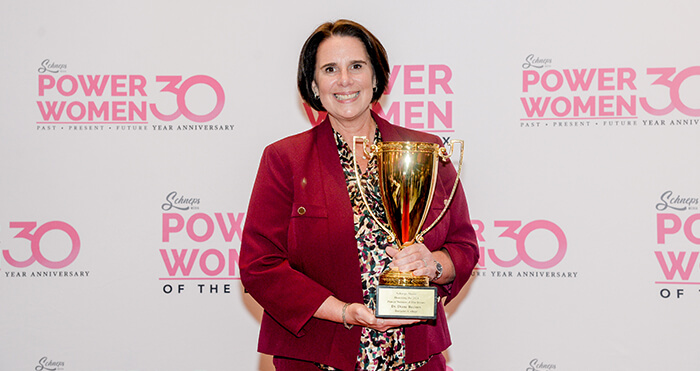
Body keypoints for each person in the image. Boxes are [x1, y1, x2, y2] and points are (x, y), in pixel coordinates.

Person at [240, 19, 479, 371]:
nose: (345, 80)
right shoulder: (284, 159)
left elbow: (464, 246)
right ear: (313, 84)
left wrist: (434, 264)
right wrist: (344, 312)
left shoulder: (425, 152)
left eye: (356, 66)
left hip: (415, 359)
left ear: (376, 76)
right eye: (329, 69)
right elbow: (259, 266)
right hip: (319, 358)